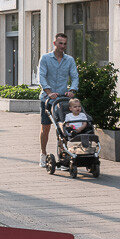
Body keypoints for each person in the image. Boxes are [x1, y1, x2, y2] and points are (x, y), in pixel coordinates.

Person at [37, 32, 79, 167]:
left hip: (62, 100)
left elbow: (75, 77)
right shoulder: (45, 58)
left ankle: (63, 156)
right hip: (47, 100)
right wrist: (49, 92)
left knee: (62, 129)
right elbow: (41, 77)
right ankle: (43, 154)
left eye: (65, 44)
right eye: (60, 43)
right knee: (45, 128)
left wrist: (72, 90)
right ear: (54, 43)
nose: (63, 46)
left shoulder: (69, 60)